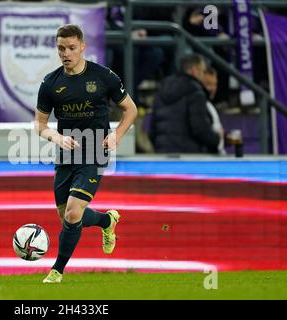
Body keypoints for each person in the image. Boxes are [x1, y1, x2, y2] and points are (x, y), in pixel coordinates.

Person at [34, 24, 138, 283]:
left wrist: (117, 135)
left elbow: (131, 109)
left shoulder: (104, 77)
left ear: (82, 47)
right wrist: (56, 137)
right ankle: (106, 221)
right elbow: (40, 125)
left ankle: (56, 270)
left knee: (72, 213)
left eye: (71, 48)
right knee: (67, 217)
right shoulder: (50, 83)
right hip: (66, 154)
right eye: (61, 48)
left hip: (94, 150)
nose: (66, 53)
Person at [149, 53, 222, 154]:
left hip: (163, 155)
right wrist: (218, 139)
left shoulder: (162, 90)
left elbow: (152, 131)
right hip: (189, 158)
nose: (203, 75)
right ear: (194, 70)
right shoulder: (195, 93)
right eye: (203, 71)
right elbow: (200, 129)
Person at [202, 66, 226, 155]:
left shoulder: (210, 105)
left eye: (215, 84)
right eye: (208, 84)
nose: (212, 88)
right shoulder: (199, 105)